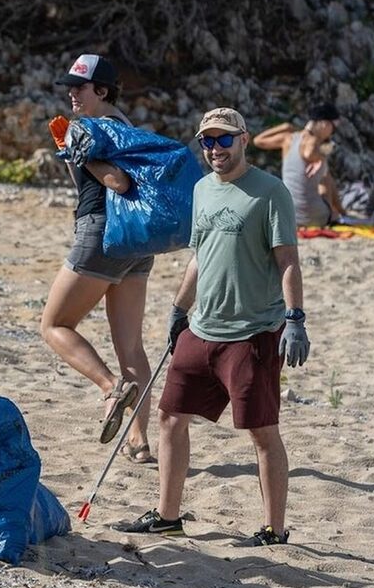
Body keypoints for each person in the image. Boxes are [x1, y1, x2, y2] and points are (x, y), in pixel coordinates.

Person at [116, 107, 310, 547]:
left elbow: (287, 261)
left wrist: (295, 319)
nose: (215, 148)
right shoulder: (202, 189)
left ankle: (274, 530)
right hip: (202, 329)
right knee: (169, 418)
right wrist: (178, 310)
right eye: (207, 141)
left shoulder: (270, 192)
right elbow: (200, 258)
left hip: (254, 333)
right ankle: (167, 517)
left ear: (244, 139)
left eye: (224, 139)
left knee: (262, 431)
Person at [39, 54, 154, 462]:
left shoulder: (88, 128)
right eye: (68, 87)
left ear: (101, 91)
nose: (71, 94)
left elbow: (116, 181)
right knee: (131, 347)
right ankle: (139, 442)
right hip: (138, 241)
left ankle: (110, 388)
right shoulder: (127, 127)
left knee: (54, 324)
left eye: (79, 87)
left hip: (102, 234)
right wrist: (69, 152)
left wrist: (78, 151)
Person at [251, 102, 345, 226]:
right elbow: (311, 154)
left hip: (288, 215)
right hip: (314, 218)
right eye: (334, 127)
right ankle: (339, 212)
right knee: (326, 178)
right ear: (325, 124)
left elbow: (257, 141)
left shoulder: (287, 139)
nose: (333, 132)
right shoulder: (315, 145)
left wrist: (284, 127)